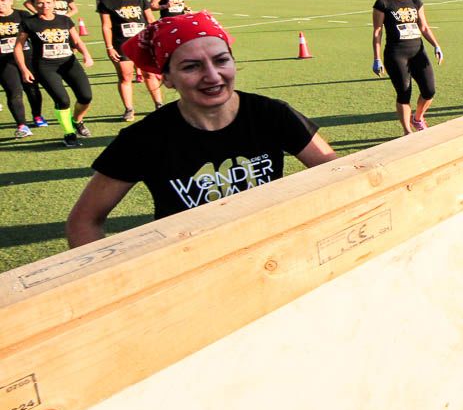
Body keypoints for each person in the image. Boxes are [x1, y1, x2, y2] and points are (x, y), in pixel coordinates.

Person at [66, 12, 338, 246]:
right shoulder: (145, 138)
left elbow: (336, 174)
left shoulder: (271, 114)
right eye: (191, 66)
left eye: (221, 61)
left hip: (270, 249)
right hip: (189, 266)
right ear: (168, 78)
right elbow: (84, 221)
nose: (212, 76)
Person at [15, 0, 94, 146]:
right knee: (62, 100)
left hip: (69, 63)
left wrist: (86, 54)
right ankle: (69, 133)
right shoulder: (29, 22)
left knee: (86, 97)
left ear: (54, 3)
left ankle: (77, 121)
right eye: (40, 3)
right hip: (45, 66)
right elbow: (18, 47)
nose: (45, 5)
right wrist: (24, 69)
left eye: (48, 2)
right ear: (34, 5)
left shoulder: (64, 19)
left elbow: (77, 40)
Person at [372, 0, 443, 134]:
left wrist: (436, 45)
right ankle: (407, 131)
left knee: (429, 90)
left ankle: (417, 118)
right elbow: (377, 31)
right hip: (396, 54)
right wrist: (376, 58)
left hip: (418, 52)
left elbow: (424, 27)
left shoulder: (415, 1)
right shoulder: (383, 3)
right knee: (404, 93)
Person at [96, 0, 163, 120]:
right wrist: (109, 47)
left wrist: (156, 40)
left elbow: (151, 20)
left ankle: (159, 104)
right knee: (125, 77)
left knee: (150, 74)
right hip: (122, 44)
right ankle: (129, 108)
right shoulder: (107, 2)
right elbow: (106, 26)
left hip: (143, 42)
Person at [0, 0, 48, 137]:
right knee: (14, 91)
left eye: (2, 0)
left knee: (32, 88)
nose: (0, 4)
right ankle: (22, 125)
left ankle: (37, 115)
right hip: (4, 62)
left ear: (11, 1)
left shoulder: (23, 15)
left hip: (28, 58)